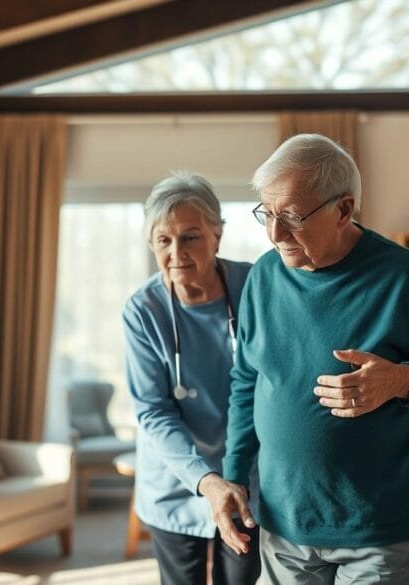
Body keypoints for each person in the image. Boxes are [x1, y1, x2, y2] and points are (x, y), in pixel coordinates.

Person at [198, 134, 409, 585]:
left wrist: (401, 380)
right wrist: (233, 476)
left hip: (385, 527)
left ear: (344, 209)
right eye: (266, 213)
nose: (275, 234)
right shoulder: (263, 277)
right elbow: (247, 380)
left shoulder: (405, 277)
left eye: (291, 216)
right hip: (285, 522)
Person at [123, 171, 261, 585]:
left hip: (245, 475)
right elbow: (153, 412)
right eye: (163, 240)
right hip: (175, 476)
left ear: (217, 235)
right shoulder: (143, 311)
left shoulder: (254, 286)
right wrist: (205, 480)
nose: (176, 252)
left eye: (191, 237)